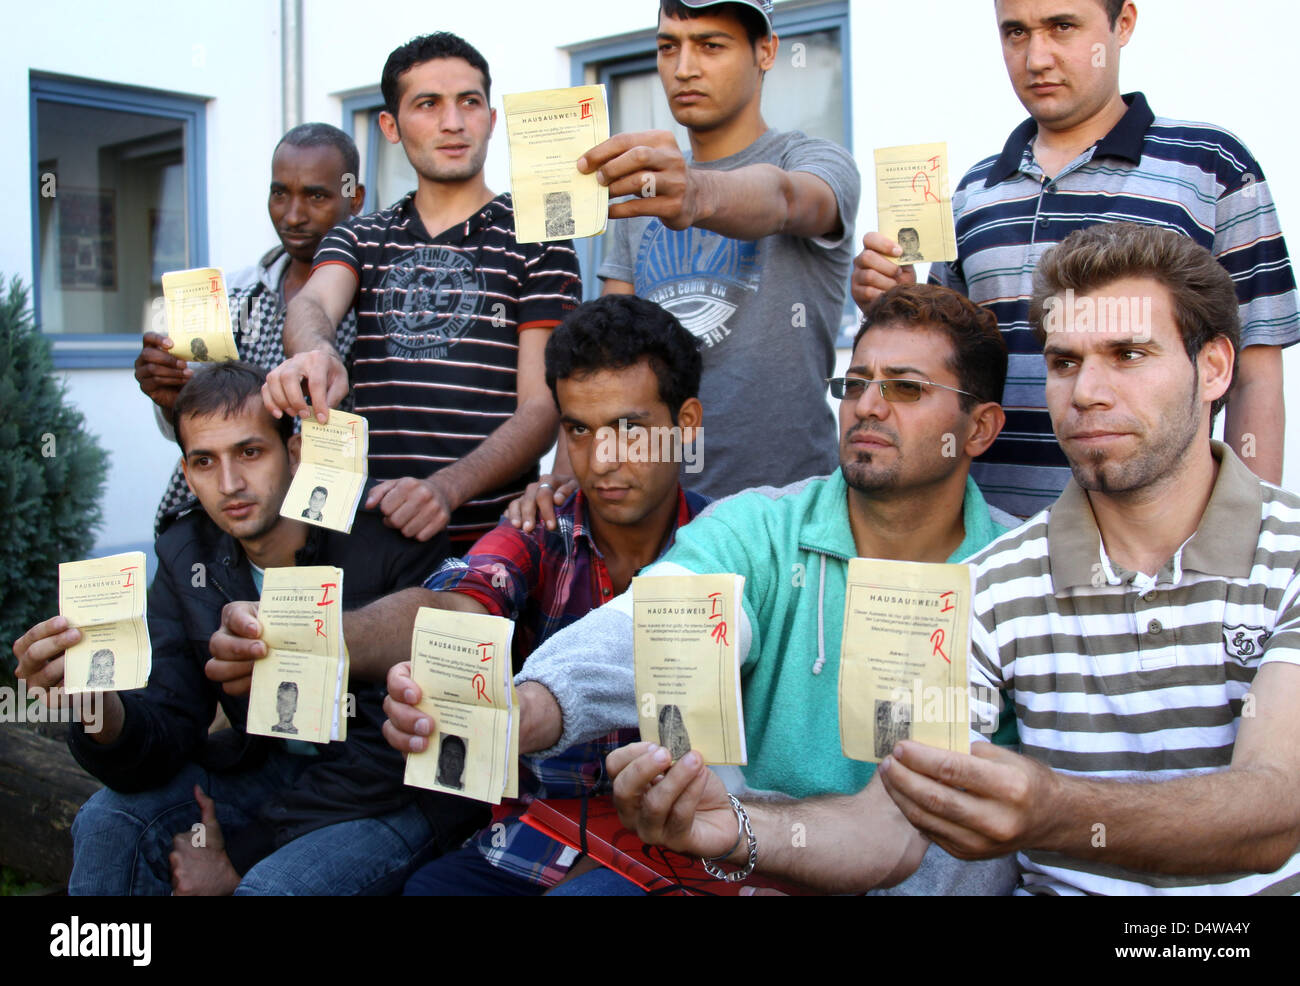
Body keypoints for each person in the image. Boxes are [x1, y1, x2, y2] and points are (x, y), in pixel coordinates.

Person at [625, 223, 1300, 895]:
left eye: (1127, 354)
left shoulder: (1290, 552)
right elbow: (889, 831)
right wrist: (734, 829)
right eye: (1065, 361)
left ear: (1213, 367)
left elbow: (1275, 807)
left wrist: (1055, 810)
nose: (1087, 391)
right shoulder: (981, 583)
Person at [389, 283, 1023, 895]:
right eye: (855, 384)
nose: (868, 407)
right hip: (742, 870)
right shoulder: (760, 526)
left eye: (906, 388)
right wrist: (524, 709)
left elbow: (1003, 821)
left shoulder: (1021, 571)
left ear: (979, 428)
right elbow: (651, 623)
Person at [214, 294, 710, 895]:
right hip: (536, 834)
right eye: (579, 429)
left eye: (629, 429)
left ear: (685, 426)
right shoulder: (539, 530)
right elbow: (453, 605)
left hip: (680, 841)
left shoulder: (731, 546)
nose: (601, 459)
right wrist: (305, 634)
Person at [13, 361, 483, 895]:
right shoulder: (184, 551)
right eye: (205, 462)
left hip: (398, 794)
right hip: (268, 769)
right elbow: (169, 725)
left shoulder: (389, 533)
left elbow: (395, 750)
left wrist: (240, 853)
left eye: (250, 452)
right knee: (107, 819)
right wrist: (100, 710)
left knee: (269, 888)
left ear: (297, 453)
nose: (230, 483)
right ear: (187, 475)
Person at [851, 0, 1298, 517]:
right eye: (1015, 33)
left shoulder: (1212, 169)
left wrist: (1247, 529)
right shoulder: (972, 194)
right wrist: (898, 304)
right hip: (993, 535)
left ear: (1122, 23)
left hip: (1159, 535)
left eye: (1062, 27)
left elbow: (1254, 374)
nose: (1037, 57)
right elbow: (954, 377)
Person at [511, 0, 860, 532]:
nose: (684, 68)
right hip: (659, 520)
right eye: (668, 46)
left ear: (767, 51)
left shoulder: (812, 160)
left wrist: (696, 192)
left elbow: (790, 199)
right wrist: (563, 475)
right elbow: (601, 353)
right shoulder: (642, 186)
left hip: (790, 517)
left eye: (711, 45)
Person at [261, 32, 582, 547]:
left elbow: (542, 409)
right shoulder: (361, 237)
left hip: (489, 545)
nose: (453, 122)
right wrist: (315, 354)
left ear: (492, 120)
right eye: (428, 104)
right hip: (367, 535)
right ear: (390, 125)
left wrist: (444, 490)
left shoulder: (540, 241)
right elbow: (313, 302)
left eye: (469, 103)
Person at [135, 123, 366, 533]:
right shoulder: (232, 294)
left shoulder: (376, 306)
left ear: (355, 198)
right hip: (221, 527)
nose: (293, 215)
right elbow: (196, 433)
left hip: (328, 527)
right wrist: (170, 398)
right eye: (280, 193)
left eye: (316, 195)